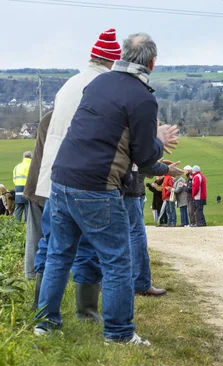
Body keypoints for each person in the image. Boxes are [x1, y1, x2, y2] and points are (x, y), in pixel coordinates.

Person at [34, 32, 180, 346]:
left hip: (61, 179)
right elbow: (143, 157)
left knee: (59, 254)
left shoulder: (97, 84)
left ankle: (44, 324)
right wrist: (161, 143)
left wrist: (160, 159)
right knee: (117, 260)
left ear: (122, 56)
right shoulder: (142, 97)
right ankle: (118, 333)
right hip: (97, 187)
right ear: (152, 63)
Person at [33, 28, 123, 320]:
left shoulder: (70, 83)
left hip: (53, 178)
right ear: (112, 61)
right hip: (85, 179)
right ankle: (86, 311)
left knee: (53, 246)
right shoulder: (103, 88)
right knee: (87, 247)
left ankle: (43, 309)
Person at [124, 166, 167, 296]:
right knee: (136, 234)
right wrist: (163, 168)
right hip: (129, 189)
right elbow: (143, 160)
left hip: (104, 187)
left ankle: (100, 281)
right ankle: (140, 283)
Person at [22, 111, 52, 280]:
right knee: (41, 235)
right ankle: (34, 274)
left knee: (36, 233)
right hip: (45, 185)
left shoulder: (48, 117)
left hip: (37, 184)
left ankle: (33, 274)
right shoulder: (57, 120)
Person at [13, 151, 32, 222]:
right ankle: (26, 227)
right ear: (31, 157)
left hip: (18, 189)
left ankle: (14, 225)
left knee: (18, 209)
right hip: (28, 190)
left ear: (23, 157)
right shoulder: (32, 166)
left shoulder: (17, 167)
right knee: (28, 209)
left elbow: (14, 179)